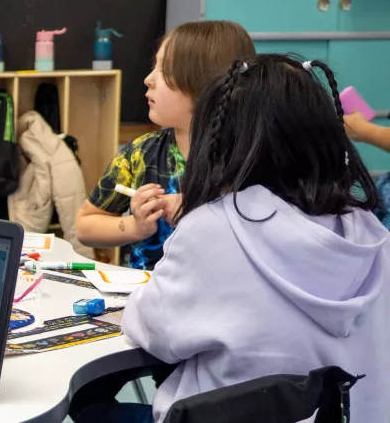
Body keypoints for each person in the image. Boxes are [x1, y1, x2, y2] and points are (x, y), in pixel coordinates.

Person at [86, 55, 390, 423]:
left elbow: (153, 331)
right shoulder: (372, 232)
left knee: (87, 400)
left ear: (220, 142)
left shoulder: (215, 226)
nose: (150, 79)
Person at [75, 21, 255, 270]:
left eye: (166, 71)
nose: (148, 79)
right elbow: (85, 226)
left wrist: (203, 212)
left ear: (206, 84)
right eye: (154, 66)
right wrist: (136, 226)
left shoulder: (252, 157)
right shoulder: (141, 153)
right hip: (149, 290)